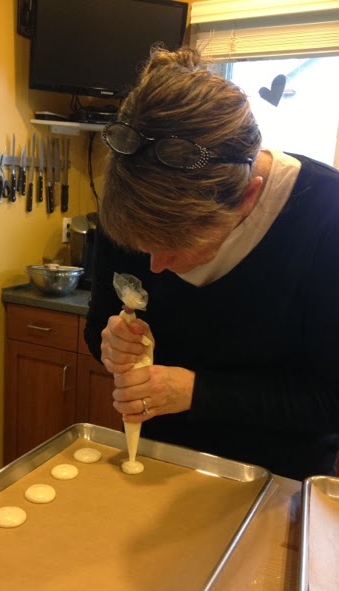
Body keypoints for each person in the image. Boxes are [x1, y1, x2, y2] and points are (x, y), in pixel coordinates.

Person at [84, 46, 339, 481]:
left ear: (248, 198)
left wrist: (197, 392)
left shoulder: (326, 218)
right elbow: (98, 327)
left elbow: (331, 400)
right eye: (142, 246)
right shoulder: (131, 199)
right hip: (155, 460)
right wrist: (111, 346)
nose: (155, 266)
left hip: (276, 479)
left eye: (177, 245)